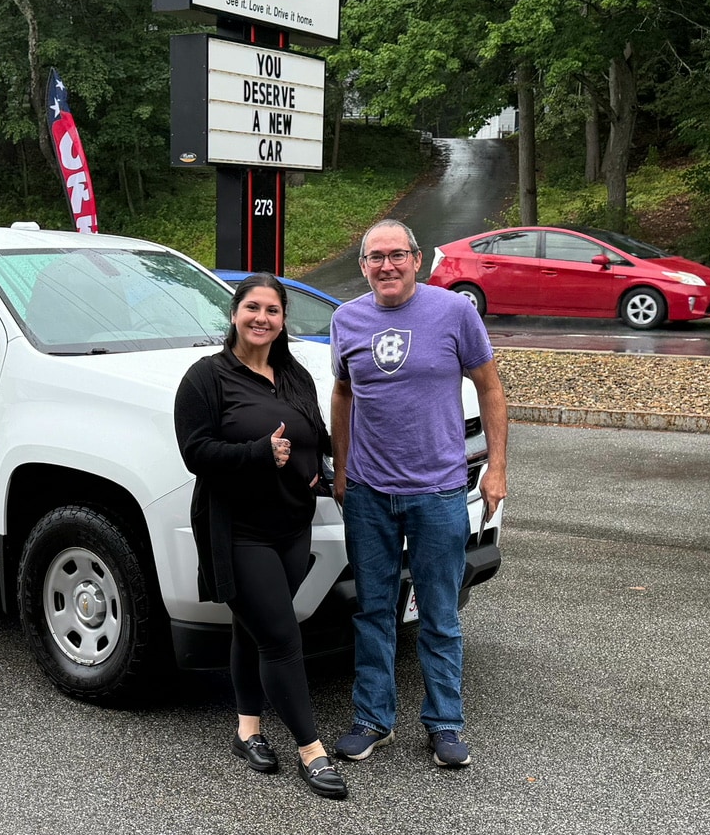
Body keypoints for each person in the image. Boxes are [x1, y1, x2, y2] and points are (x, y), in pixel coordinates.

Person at [329, 219, 508, 768]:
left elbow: (491, 388)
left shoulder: (455, 313)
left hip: (438, 492)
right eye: (376, 257)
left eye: (397, 255)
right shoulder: (347, 319)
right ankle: (372, 719)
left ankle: (445, 724)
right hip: (368, 494)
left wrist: (497, 468)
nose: (387, 265)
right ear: (363, 266)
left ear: (416, 258)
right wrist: (341, 469)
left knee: (438, 613)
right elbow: (342, 394)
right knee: (374, 611)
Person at [175, 275, 349, 801]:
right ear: (234, 313)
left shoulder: (294, 375)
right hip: (237, 530)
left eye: (272, 310)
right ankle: (311, 751)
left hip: (291, 529)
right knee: (280, 636)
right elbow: (195, 453)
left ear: (282, 320)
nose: (262, 318)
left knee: (251, 630)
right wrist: (257, 454)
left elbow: (315, 433)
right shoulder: (206, 378)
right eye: (253, 307)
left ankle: (247, 729)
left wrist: (317, 466)